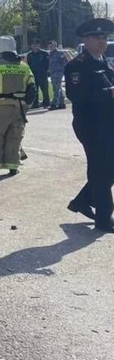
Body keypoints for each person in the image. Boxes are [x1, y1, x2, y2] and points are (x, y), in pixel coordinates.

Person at [63, 17, 114, 232]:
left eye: (104, 37)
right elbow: (76, 94)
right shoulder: (77, 65)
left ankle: (83, 201)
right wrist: (108, 93)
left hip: (107, 124)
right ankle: (103, 219)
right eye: (97, 37)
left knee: (108, 168)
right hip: (90, 125)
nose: (102, 41)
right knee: (100, 169)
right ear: (86, 40)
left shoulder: (104, 62)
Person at [0, 35, 36, 176]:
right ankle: (13, 166)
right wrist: (26, 105)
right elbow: (32, 90)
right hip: (19, 108)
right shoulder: (24, 67)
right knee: (14, 137)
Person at [26, 39, 50, 108]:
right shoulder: (29, 55)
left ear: (39, 45)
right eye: (33, 45)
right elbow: (29, 64)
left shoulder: (44, 53)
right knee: (35, 90)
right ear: (31, 46)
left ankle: (46, 102)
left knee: (44, 89)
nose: (35, 46)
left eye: (36, 44)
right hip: (34, 75)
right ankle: (35, 103)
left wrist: (47, 72)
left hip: (42, 74)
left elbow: (47, 63)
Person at [47, 40, 67, 109]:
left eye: (52, 46)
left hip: (58, 72)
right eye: (50, 46)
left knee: (56, 88)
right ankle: (62, 103)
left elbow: (64, 62)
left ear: (55, 46)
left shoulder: (59, 53)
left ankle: (54, 104)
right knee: (58, 88)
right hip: (52, 73)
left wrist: (63, 71)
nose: (51, 47)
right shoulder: (50, 54)